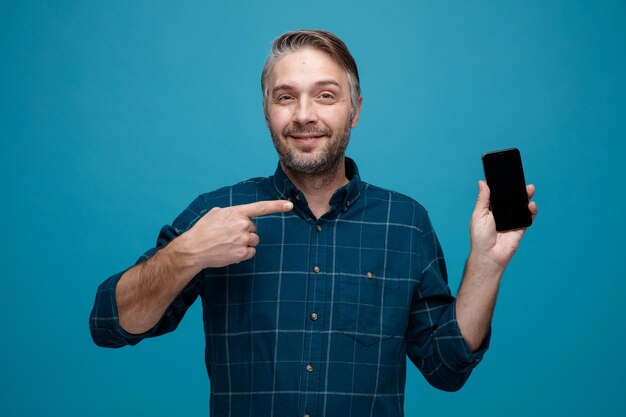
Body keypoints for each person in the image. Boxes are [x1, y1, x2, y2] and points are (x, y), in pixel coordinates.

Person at [90, 29, 538, 416]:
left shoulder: (405, 224)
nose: (304, 115)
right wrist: (187, 254)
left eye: (325, 95)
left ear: (355, 110)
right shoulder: (218, 214)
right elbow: (112, 324)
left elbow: (447, 368)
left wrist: (487, 263)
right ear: (267, 110)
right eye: (285, 97)